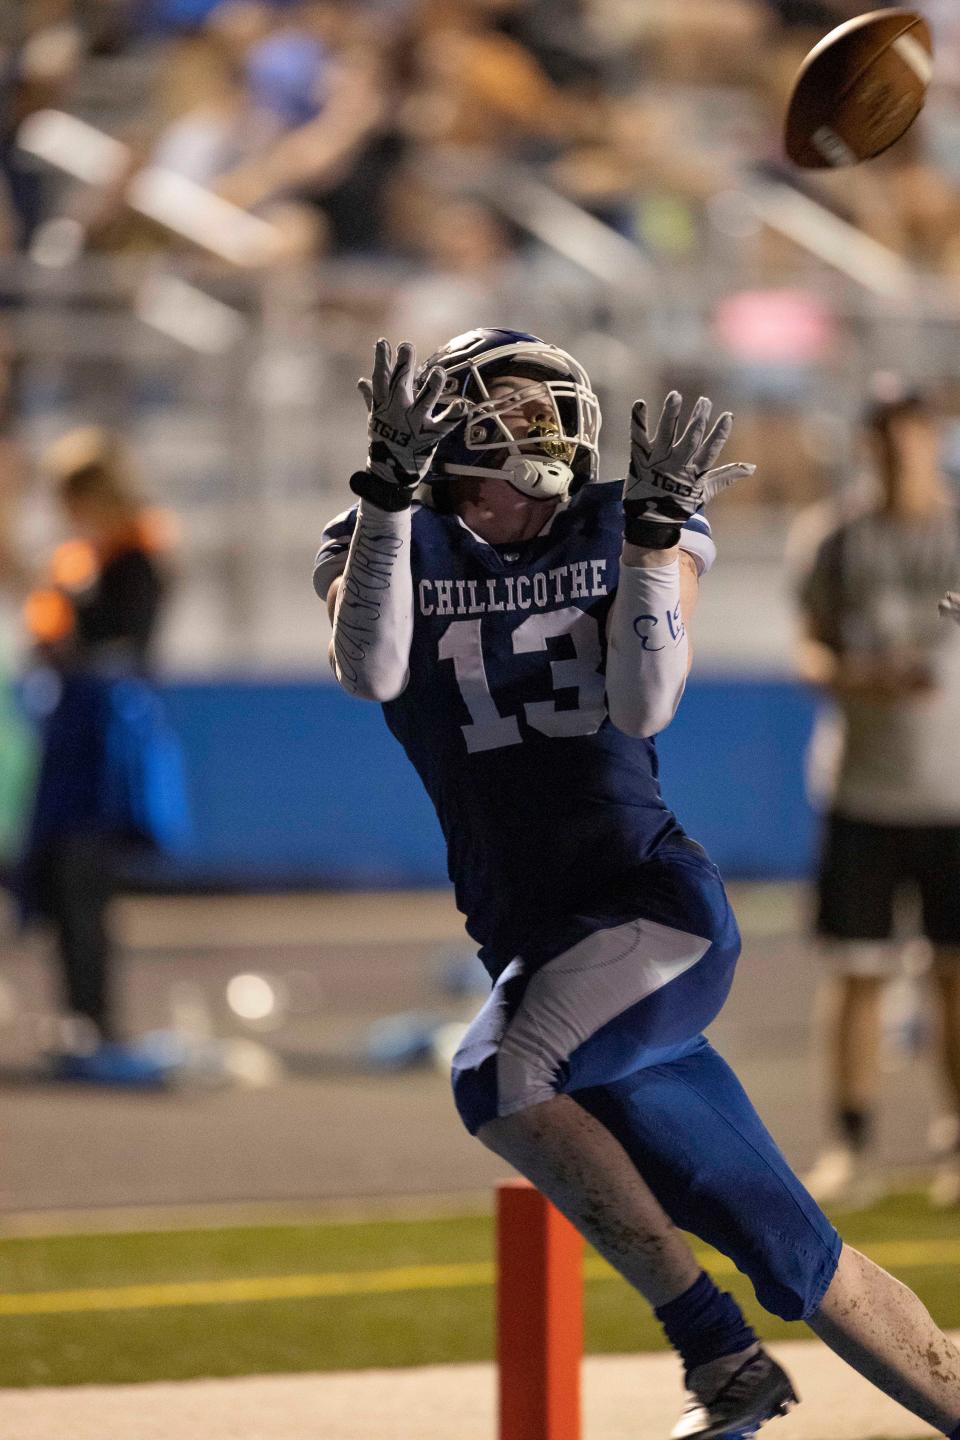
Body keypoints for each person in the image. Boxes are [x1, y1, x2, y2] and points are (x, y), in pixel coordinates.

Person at [314, 329, 960, 1440]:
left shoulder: (621, 519)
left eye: (552, 406)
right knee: (799, 1254)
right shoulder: (389, 533)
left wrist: (657, 546)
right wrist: (383, 499)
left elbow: (647, 701)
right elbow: (369, 669)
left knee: (498, 1075)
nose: (543, 427)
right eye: (513, 408)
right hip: (544, 946)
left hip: (649, 910)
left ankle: (717, 1355)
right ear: (451, 426)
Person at [793, 385, 960, 1211]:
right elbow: (808, 648)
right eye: (886, 436)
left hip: (953, 791)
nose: (902, 451)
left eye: (914, 434)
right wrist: (860, 676)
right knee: (855, 970)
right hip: (861, 787)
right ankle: (850, 1141)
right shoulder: (835, 538)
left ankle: (954, 1141)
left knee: (955, 974)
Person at [18, 427, 189, 1085]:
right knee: (61, 878)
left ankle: (97, 1022)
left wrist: (65, 607)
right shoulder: (86, 555)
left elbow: (124, 641)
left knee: (84, 878)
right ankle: (80, 1018)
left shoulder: (134, 553)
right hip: (75, 726)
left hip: (106, 733)